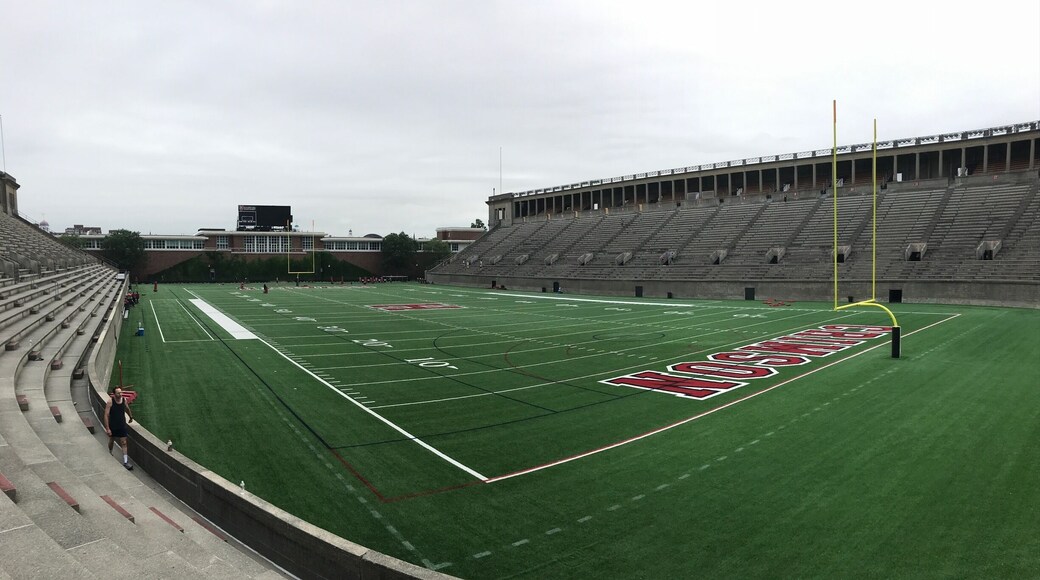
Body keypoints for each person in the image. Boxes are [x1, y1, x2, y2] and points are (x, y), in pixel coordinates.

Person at [104, 387, 135, 470]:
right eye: (118, 393)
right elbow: (106, 415)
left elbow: (127, 408)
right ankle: (110, 452)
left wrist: (131, 417)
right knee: (111, 440)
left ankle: (125, 462)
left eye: (121, 392)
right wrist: (108, 428)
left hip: (122, 425)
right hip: (113, 425)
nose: (120, 394)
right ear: (114, 394)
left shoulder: (123, 400)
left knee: (124, 443)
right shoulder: (110, 402)